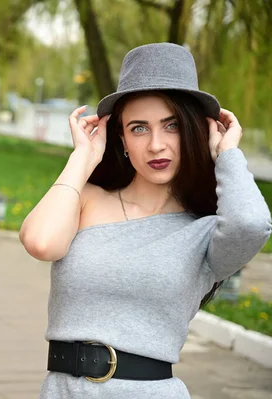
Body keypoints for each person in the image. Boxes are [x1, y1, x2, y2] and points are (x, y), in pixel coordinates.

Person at [19, 42, 272, 398]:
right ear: (120, 137)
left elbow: (251, 224)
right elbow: (41, 242)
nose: (156, 145)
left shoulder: (207, 233)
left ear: (196, 131)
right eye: (139, 128)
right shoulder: (87, 198)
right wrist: (83, 157)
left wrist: (227, 153)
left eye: (172, 126)